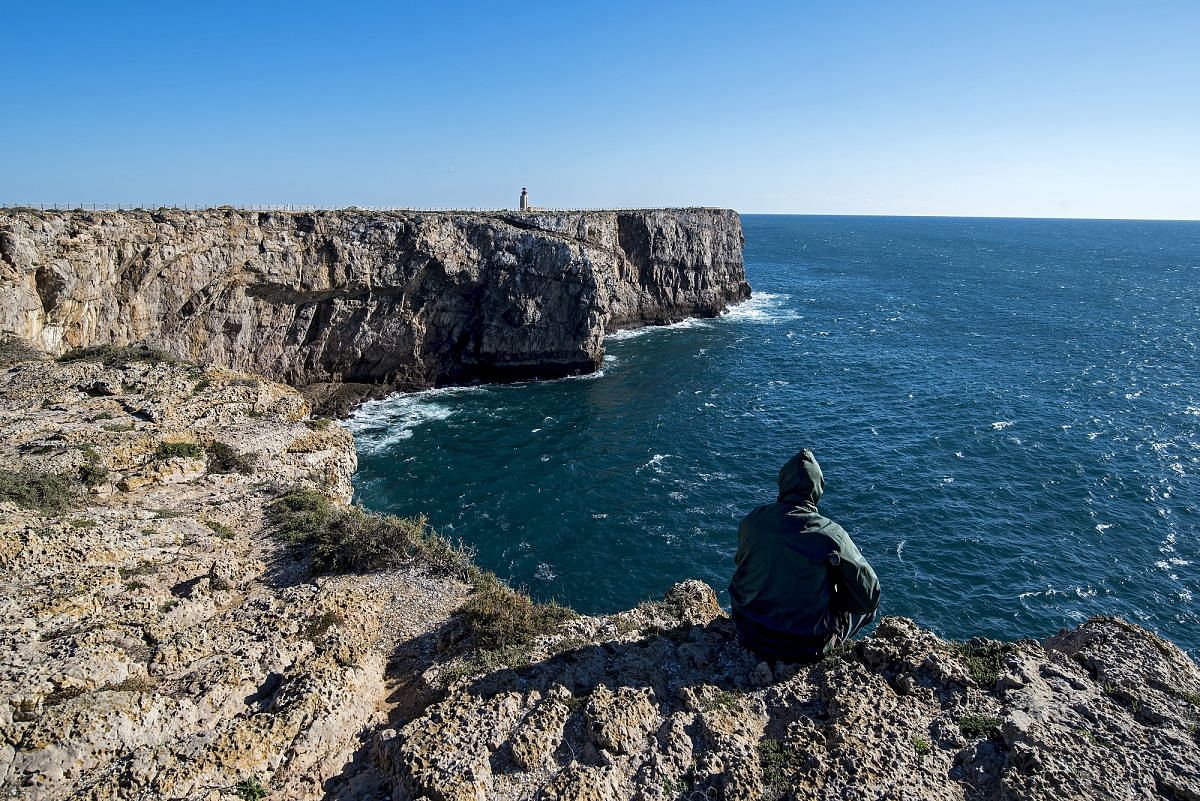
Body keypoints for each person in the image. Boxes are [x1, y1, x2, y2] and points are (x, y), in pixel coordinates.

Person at [729, 448, 880, 663]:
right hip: (803, 647)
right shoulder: (831, 534)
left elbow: (743, 565)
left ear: (782, 482)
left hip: (749, 632)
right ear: (817, 489)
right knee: (866, 609)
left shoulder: (752, 521)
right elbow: (870, 595)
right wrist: (837, 599)